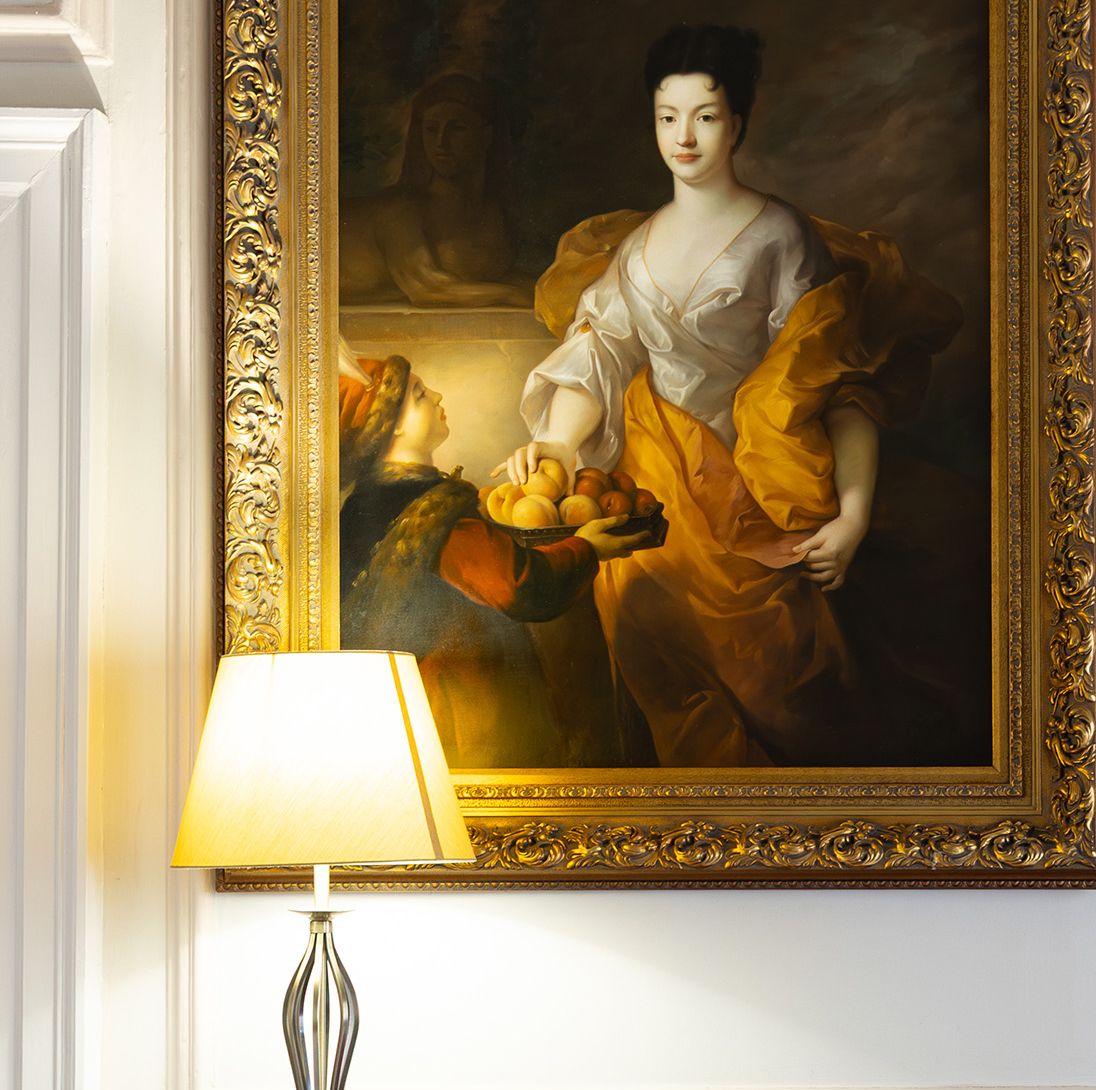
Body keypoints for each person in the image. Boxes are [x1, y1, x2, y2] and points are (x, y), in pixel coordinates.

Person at [503, 23, 962, 767]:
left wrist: (851, 516)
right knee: (660, 669)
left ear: (738, 124)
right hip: (660, 504)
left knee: (785, 692)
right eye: (667, 116)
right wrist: (557, 441)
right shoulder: (635, 247)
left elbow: (835, 384)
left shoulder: (780, 237)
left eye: (705, 116)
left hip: (763, 499)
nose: (684, 137)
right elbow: (601, 353)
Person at [338, 354, 655, 765]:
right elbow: (516, 585)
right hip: (461, 711)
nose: (435, 395)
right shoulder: (432, 510)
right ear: (393, 424)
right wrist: (587, 548)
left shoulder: (364, 502)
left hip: (401, 711)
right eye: (419, 394)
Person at [339, 74, 532, 308]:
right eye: (431, 129)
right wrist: (511, 295)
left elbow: (487, 278)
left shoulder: (493, 216)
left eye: (457, 128)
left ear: (486, 136)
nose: (441, 142)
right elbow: (427, 289)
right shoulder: (398, 212)